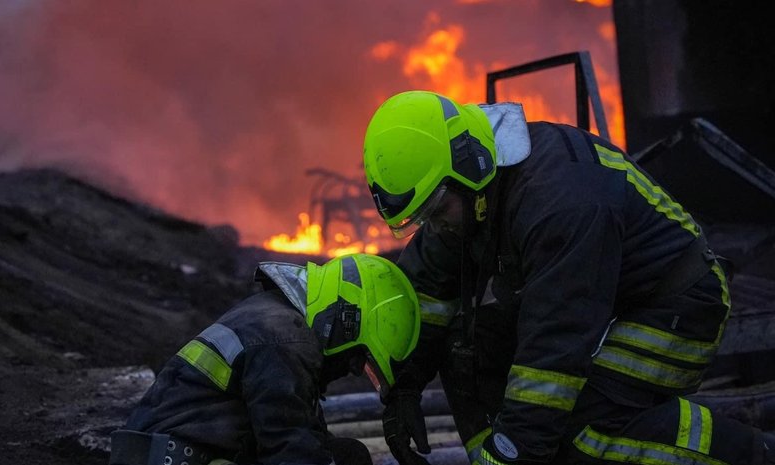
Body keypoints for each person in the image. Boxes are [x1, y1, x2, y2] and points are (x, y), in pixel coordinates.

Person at [361, 90, 775, 464]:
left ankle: (749, 452)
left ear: (470, 167)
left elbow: (556, 343)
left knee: (578, 426)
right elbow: (426, 295)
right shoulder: (465, 193)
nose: (435, 226)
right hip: (598, 302)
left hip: (676, 307)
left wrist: (521, 446)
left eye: (435, 211)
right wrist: (403, 390)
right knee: (467, 350)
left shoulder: (561, 201)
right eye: (422, 219)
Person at [109, 253, 421, 465]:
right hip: (176, 457)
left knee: (347, 455)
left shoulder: (279, 320)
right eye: (359, 360)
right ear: (346, 322)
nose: (351, 371)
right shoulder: (285, 339)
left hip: (182, 451)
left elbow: (299, 433)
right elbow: (291, 448)